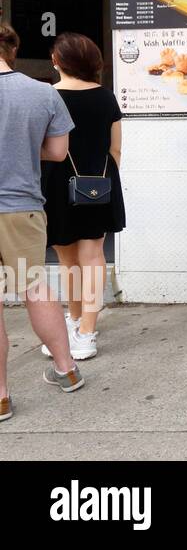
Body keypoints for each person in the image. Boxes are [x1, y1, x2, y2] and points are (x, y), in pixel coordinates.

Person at [0, 23, 85, 423]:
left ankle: (0, 395)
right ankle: (66, 370)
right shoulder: (42, 92)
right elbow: (56, 152)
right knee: (34, 284)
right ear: (11, 48)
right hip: (23, 207)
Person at [40, 32, 124, 362]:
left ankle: (75, 322)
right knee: (93, 257)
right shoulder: (106, 97)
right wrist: (104, 180)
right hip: (98, 185)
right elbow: (115, 148)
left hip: (56, 186)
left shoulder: (48, 96)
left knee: (67, 260)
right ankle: (86, 334)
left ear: (56, 62)